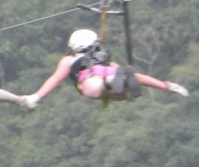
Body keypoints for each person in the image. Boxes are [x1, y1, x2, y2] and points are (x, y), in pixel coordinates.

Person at [22, 29, 189, 109]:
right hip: (108, 74)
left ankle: (108, 83)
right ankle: (113, 82)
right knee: (120, 79)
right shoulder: (103, 59)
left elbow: (55, 79)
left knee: (98, 85)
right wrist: (165, 86)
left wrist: (37, 97)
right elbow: (138, 77)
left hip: (89, 81)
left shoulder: (69, 59)